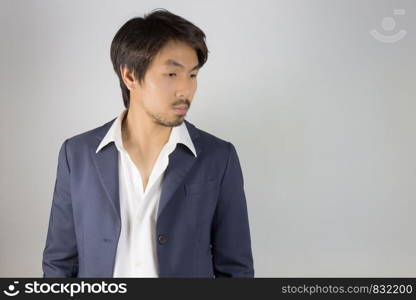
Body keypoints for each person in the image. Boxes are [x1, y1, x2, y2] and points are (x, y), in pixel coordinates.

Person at [42, 8, 254, 278]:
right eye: (171, 74)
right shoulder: (77, 155)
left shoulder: (218, 157)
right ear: (130, 76)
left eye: (192, 75)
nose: (185, 90)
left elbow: (236, 269)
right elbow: (59, 263)